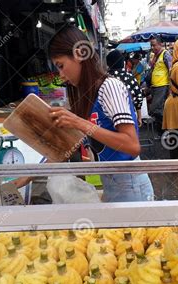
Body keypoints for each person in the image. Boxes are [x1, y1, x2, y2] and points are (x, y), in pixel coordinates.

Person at [14, 26, 154, 203]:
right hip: (112, 181)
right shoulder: (87, 96)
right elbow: (68, 147)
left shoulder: (110, 87)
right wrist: (30, 175)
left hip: (130, 184)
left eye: (61, 66)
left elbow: (132, 145)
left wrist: (79, 123)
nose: (61, 75)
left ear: (79, 54)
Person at [106, 50, 144, 128]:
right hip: (129, 117)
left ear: (108, 64)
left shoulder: (104, 79)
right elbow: (138, 98)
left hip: (109, 118)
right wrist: (139, 117)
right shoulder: (130, 78)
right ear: (122, 62)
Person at [147, 36, 172, 137]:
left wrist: (170, 89)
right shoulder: (156, 55)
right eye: (151, 45)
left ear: (160, 44)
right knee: (160, 109)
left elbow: (171, 71)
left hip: (162, 85)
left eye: (154, 45)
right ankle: (163, 132)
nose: (152, 47)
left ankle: (169, 127)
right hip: (155, 86)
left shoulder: (166, 54)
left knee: (154, 109)